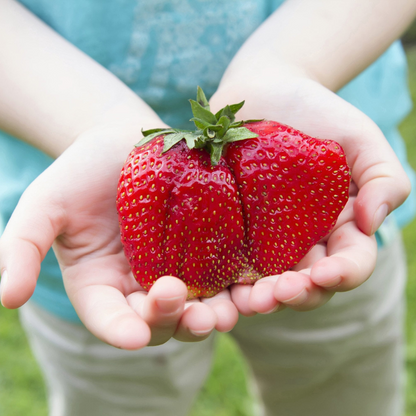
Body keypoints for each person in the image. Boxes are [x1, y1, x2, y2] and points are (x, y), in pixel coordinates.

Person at [0, 0, 415, 415]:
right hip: (92, 219)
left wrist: (290, 65)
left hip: (324, 201)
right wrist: (90, 123)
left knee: (339, 393)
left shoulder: (293, 158)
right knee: (119, 399)